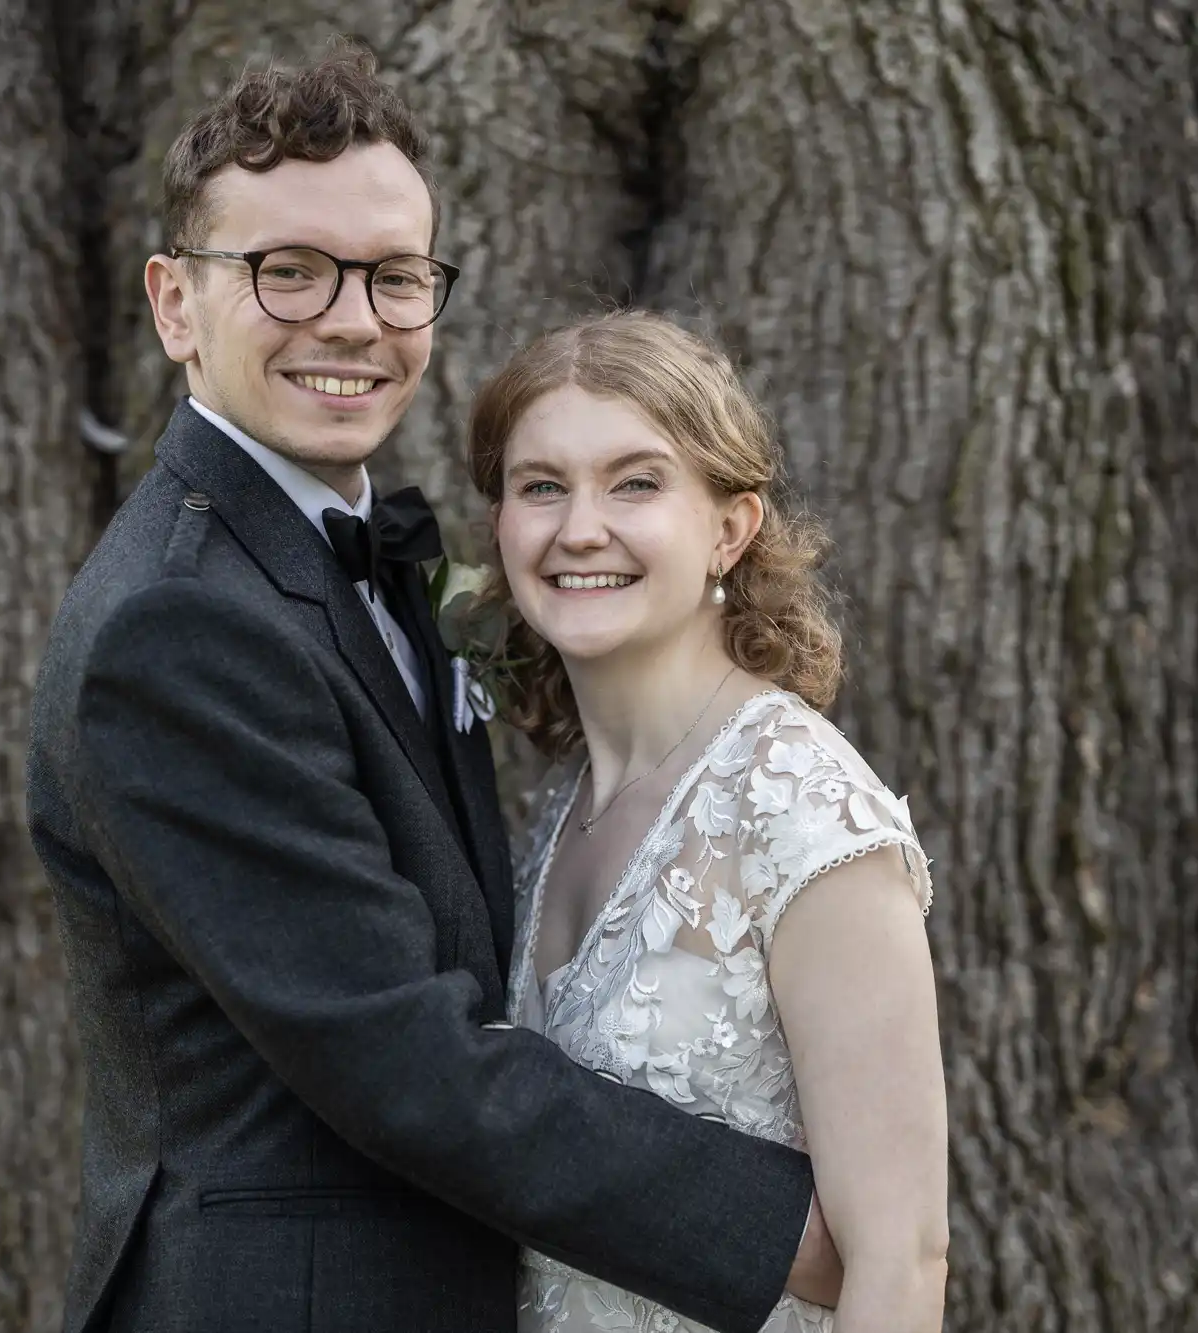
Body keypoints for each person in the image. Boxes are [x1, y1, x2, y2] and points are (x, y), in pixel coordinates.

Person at [25, 44, 844, 1333]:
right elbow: (402, 1057)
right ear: (175, 304)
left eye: (394, 277)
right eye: (286, 271)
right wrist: (785, 1230)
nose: (351, 320)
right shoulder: (175, 627)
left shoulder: (380, 542)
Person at [464, 311, 951, 1333]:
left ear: (728, 527)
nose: (578, 527)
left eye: (634, 482)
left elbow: (900, 1260)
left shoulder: (799, 806)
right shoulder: (557, 815)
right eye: (539, 485)